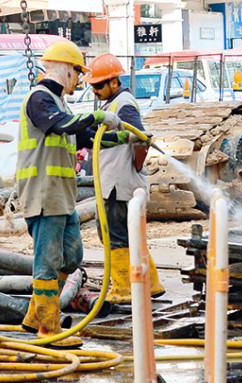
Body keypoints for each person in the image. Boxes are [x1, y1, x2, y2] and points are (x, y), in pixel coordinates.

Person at [17, 41, 124, 349]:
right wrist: (100, 117)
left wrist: (124, 137)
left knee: (72, 256)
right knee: (48, 261)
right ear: (65, 69)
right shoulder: (40, 99)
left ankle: (34, 317)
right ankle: (49, 330)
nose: (80, 79)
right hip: (43, 194)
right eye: (78, 72)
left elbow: (86, 136)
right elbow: (64, 126)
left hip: (62, 196)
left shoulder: (59, 103)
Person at [82, 53, 165, 304]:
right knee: (129, 237)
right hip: (115, 182)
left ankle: (122, 289)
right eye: (92, 86)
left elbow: (141, 138)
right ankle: (151, 284)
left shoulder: (124, 104)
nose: (94, 90)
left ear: (114, 82)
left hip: (117, 184)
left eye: (98, 85)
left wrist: (135, 167)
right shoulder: (113, 104)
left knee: (114, 235)